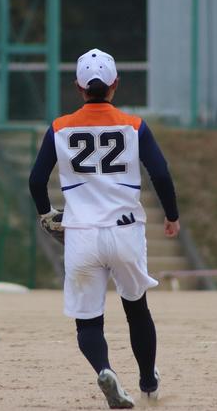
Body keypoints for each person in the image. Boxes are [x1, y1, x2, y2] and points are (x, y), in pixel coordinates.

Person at [29, 49, 180, 409]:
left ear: (78, 87)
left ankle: (105, 370)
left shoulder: (59, 128)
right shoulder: (134, 126)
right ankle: (148, 385)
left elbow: (36, 180)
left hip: (81, 232)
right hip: (125, 230)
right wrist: (171, 215)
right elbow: (160, 173)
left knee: (87, 322)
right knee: (137, 309)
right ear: (115, 85)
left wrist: (47, 214)